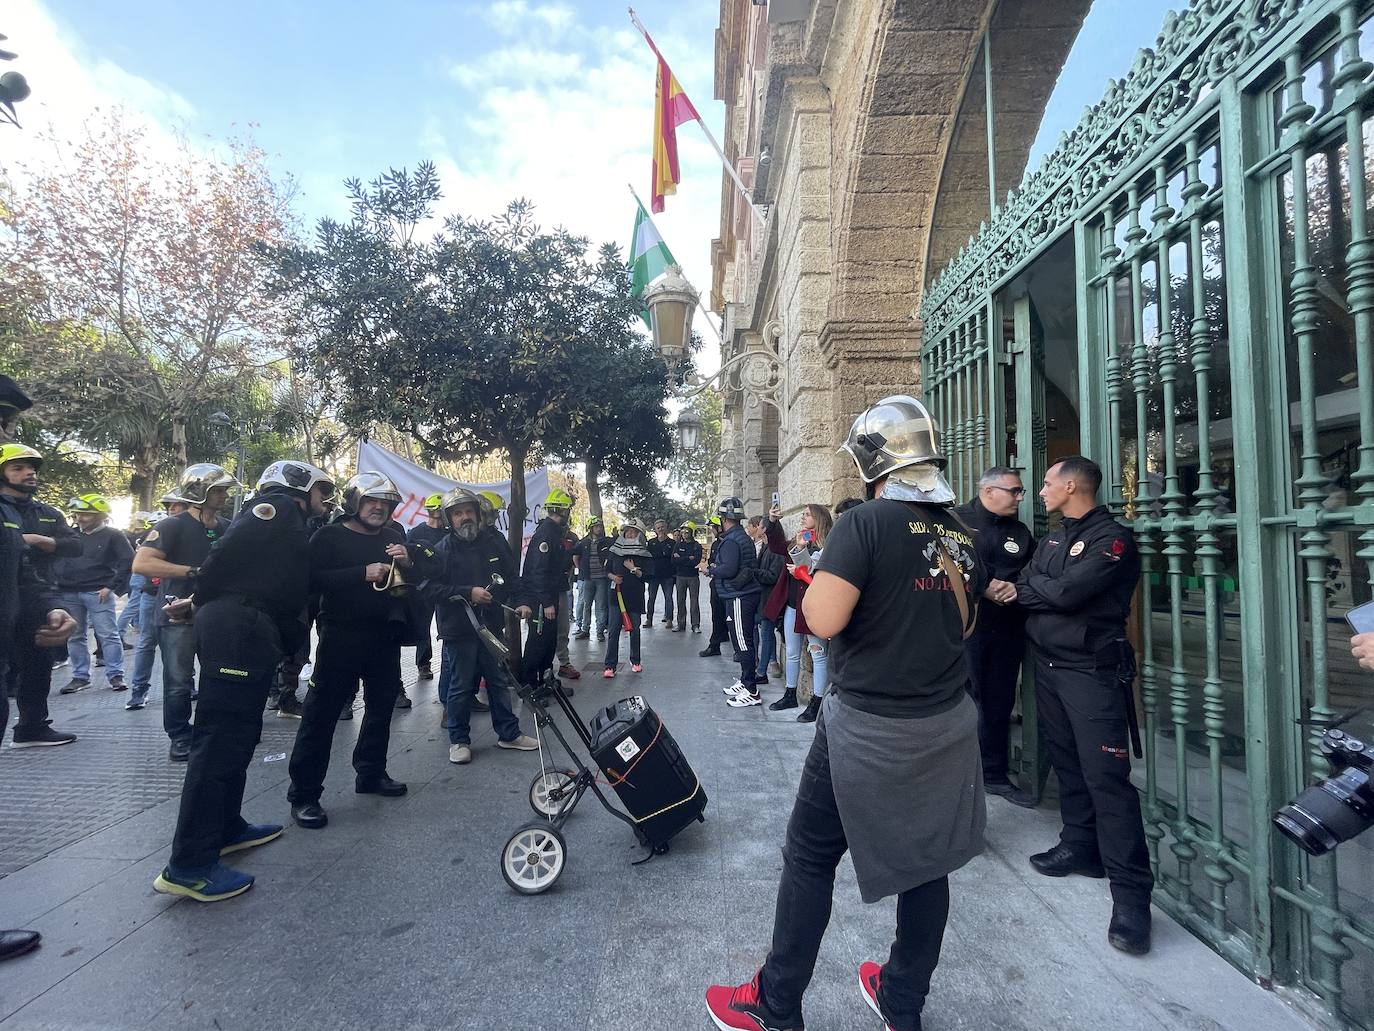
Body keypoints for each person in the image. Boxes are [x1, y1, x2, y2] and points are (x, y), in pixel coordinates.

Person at [706, 394, 986, 1031]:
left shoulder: (866, 524)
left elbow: (823, 621)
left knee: (809, 855)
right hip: (943, 722)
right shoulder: (959, 530)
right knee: (927, 867)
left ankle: (776, 1004)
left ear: (873, 460)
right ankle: (902, 1002)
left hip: (867, 725)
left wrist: (821, 578)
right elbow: (961, 625)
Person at [151, 460, 336, 902]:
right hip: (239, 629)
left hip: (250, 628)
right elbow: (224, 558)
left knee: (240, 734)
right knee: (220, 740)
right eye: (320, 491)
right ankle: (190, 865)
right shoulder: (276, 507)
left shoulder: (288, 522)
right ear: (298, 487)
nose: (324, 501)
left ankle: (227, 827)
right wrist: (202, 593)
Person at [1012, 455, 1151, 956]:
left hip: (1090, 672)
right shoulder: (1053, 535)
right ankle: (1080, 845)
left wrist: (1040, 591)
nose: (1040, 490)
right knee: (1067, 763)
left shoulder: (1111, 538)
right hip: (1048, 666)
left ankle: (1132, 898)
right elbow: (1032, 584)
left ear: (1071, 485)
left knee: (1106, 780)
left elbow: (1067, 593)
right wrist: (1042, 591)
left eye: (1047, 483)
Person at [287, 472, 430, 830]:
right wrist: (359, 573)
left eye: (385, 502)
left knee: (382, 710)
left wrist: (409, 560)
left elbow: (416, 580)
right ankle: (304, 794)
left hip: (384, 637)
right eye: (371, 501)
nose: (379, 507)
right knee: (321, 716)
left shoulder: (395, 536)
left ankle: (370, 773)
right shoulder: (329, 536)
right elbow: (308, 580)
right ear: (354, 502)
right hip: (340, 637)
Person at [0, 375, 77, 956]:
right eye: (3, 427)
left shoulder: (32, 513)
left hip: (17, 630)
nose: (9, 441)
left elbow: (22, 574)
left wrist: (48, 608)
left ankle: (33, 724)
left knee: (32, 684)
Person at [421, 488, 538, 765]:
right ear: (450, 518)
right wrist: (466, 592)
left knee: (498, 682)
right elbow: (428, 588)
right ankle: (459, 740)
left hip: (492, 627)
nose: (465, 518)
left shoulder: (495, 543)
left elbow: (512, 578)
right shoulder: (442, 549)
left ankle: (508, 734)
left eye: (469, 512)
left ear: (477, 513)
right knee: (461, 686)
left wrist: (522, 601)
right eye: (458, 513)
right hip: (458, 630)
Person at [132, 464, 237, 760]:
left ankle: (210, 731)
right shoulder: (171, 525)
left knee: (218, 675)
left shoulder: (227, 527)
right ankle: (179, 735)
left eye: (224, 490)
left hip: (215, 614)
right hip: (177, 615)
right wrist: (194, 572)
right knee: (178, 681)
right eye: (217, 490)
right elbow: (142, 563)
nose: (223, 495)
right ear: (198, 491)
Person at [955, 467, 1037, 809]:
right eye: (1014, 490)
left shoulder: (1019, 530)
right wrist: (983, 585)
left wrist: (1014, 588)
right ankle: (960, 776)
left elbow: (1032, 570)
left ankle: (995, 773)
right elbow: (946, 564)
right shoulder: (956, 521)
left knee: (999, 701)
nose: (1021, 497)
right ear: (989, 491)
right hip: (966, 628)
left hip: (1007, 628)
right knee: (963, 703)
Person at [0, 443, 82, 748]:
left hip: (37, 595)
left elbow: (75, 546)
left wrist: (40, 541)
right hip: (11, 599)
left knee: (38, 662)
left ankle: (31, 727)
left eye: (31, 468)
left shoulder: (47, 513)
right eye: (18, 468)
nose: (28, 473)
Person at [54, 494, 133, 694]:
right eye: (78, 514)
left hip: (98, 592)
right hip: (68, 592)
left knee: (108, 635)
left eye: (85, 514)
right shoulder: (71, 535)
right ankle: (80, 677)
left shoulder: (114, 535)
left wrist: (111, 586)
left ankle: (116, 675)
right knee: (74, 636)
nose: (79, 518)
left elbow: (128, 561)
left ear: (100, 515)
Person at [760, 503, 832, 721]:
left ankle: (817, 701)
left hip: (813, 607)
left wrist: (800, 555)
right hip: (792, 605)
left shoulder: (827, 545)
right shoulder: (799, 539)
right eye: (803, 514)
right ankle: (790, 693)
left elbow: (809, 569)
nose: (802, 517)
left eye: (807, 514)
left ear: (818, 519)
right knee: (792, 652)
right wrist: (773, 522)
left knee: (818, 655)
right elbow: (778, 546)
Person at [709, 498, 763, 707]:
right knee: (743, 640)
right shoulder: (740, 536)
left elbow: (729, 569)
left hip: (739, 595)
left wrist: (711, 569)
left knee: (742, 642)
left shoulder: (731, 540)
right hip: (742, 594)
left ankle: (751, 690)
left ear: (723, 519)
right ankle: (745, 680)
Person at [520, 488, 576, 692]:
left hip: (550, 595)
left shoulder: (553, 532)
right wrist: (547, 603)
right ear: (562, 511)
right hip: (542, 599)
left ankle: (545, 679)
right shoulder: (546, 534)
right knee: (538, 642)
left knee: (549, 641)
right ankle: (530, 684)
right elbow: (538, 571)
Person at [406, 493, 447, 686]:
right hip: (423, 587)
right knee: (423, 626)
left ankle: (447, 661)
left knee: (446, 625)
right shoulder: (416, 533)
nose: (437, 517)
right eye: (435, 512)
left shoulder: (448, 534)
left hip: (444, 586)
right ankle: (423, 664)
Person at [604, 522, 650, 677]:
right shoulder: (614, 551)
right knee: (614, 630)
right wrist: (613, 577)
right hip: (616, 596)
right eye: (628, 532)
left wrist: (634, 569)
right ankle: (610, 665)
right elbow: (606, 570)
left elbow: (649, 576)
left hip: (635, 596)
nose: (630, 534)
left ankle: (635, 661)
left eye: (634, 532)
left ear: (640, 535)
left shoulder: (644, 554)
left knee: (635, 630)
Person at [747, 516, 784, 687]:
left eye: (761, 526)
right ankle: (761, 667)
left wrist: (754, 572)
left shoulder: (775, 550)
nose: (758, 529)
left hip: (770, 599)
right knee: (763, 632)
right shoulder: (766, 547)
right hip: (762, 597)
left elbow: (772, 576)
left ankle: (762, 672)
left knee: (767, 634)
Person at [116, 512, 155, 645]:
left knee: (135, 605)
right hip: (141, 576)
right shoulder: (152, 535)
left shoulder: (144, 535)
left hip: (136, 575)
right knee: (133, 606)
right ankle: (118, 634)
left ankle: (137, 625)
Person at [574, 516, 611, 642]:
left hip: (602, 578)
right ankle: (585, 629)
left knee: (601, 605)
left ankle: (600, 631)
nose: (599, 529)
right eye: (596, 526)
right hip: (588, 578)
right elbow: (575, 555)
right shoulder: (584, 542)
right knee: (586, 604)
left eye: (600, 526)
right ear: (590, 528)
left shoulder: (607, 542)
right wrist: (581, 570)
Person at [700, 517, 729, 656]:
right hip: (716, 583)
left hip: (725, 585)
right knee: (717, 615)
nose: (711, 530)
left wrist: (712, 569)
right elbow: (713, 561)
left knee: (725, 616)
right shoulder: (717, 543)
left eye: (713, 527)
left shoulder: (726, 543)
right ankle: (718, 640)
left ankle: (716, 644)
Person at [672, 522, 703, 633]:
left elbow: (695, 561)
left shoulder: (697, 546)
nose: (684, 533)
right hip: (680, 577)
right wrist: (687, 558)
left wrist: (681, 558)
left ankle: (695, 625)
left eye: (687, 531)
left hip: (693, 577)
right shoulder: (678, 545)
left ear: (692, 532)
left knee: (694, 602)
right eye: (683, 531)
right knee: (680, 601)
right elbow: (674, 561)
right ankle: (681, 624)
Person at [645, 519, 676, 628]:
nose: (661, 529)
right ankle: (649, 619)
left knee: (668, 598)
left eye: (662, 527)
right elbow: (648, 557)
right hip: (653, 575)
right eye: (658, 528)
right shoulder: (651, 542)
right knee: (651, 598)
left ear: (666, 528)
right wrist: (663, 554)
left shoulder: (672, 543)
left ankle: (669, 619)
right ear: (655, 530)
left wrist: (659, 554)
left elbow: (672, 558)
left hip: (668, 575)